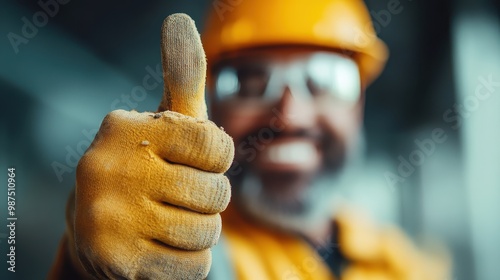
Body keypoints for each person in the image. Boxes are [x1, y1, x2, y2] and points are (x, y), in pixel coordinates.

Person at [49, 0, 450, 279]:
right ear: (213, 103)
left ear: (360, 100)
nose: (290, 114)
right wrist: (87, 262)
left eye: (327, 79)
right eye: (248, 81)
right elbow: (128, 262)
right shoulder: (187, 252)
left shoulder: (401, 262)